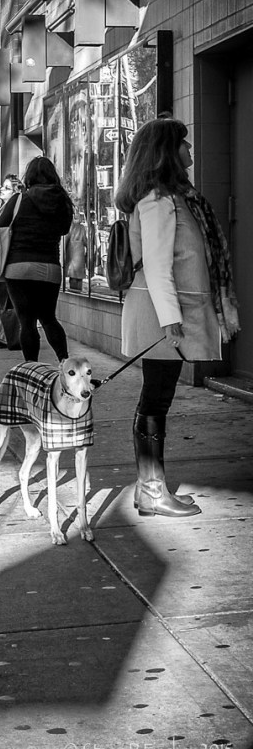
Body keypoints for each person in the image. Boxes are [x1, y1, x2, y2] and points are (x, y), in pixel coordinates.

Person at [114, 117, 239, 518]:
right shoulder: (158, 200)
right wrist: (171, 322)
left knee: (158, 396)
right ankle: (151, 490)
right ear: (168, 151)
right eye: (184, 143)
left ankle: (148, 489)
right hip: (161, 313)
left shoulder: (175, 197)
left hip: (167, 311)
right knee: (156, 397)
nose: (191, 150)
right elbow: (156, 265)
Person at [0, 156, 73, 362]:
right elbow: (65, 229)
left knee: (27, 322)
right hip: (50, 266)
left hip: (18, 266)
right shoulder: (62, 200)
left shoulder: (20, 199)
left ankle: (31, 368)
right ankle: (65, 363)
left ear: (29, 176)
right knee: (48, 318)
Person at [0, 176, 23, 349]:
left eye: (7, 187)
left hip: (6, 257)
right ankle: (4, 336)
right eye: (2, 186)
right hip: (1, 256)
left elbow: (0, 226)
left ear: (16, 191)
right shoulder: (4, 207)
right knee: (3, 298)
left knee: (7, 299)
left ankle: (10, 336)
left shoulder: (14, 207)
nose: (1, 189)